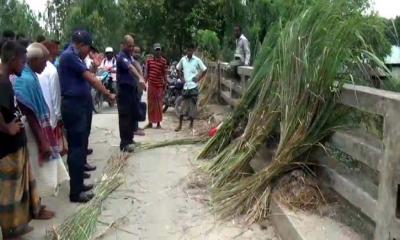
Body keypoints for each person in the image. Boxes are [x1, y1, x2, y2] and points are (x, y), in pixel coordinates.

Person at [0, 41, 54, 240]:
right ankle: (9, 233)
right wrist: (7, 127)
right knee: (9, 193)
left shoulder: (7, 79)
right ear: (13, 60)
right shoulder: (2, 81)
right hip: (6, 148)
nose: (24, 65)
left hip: (16, 144)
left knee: (21, 189)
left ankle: (18, 225)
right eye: (23, 62)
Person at [59, 30, 116, 203]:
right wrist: (107, 94)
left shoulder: (75, 57)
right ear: (81, 45)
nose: (89, 53)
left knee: (81, 144)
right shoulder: (69, 56)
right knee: (76, 148)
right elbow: (91, 79)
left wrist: (94, 67)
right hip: (74, 106)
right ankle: (76, 192)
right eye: (88, 49)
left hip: (80, 105)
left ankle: (78, 184)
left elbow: (87, 74)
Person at [14, 43, 70, 198]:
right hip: (30, 129)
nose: (46, 65)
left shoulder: (29, 75)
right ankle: (35, 205)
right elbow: (29, 113)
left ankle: (36, 204)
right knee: (35, 168)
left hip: (35, 126)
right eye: (44, 61)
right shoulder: (26, 79)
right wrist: (43, 141)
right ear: (34, 59)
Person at [116, 35, 146, 152]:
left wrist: (141, 75)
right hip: (124, 92)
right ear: (123, 45)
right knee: (125, 117)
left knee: (132, 116)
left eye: (133, 46)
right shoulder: (121, 57)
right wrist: (139, 77)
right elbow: (130, 68)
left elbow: (135, 65)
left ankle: (130, 139)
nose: (132, 48)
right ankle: (124, 143)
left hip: (131, 91)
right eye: (129, 46)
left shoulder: (129, 56)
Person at [38, 41, 67, 156]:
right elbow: (55, 97)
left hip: (39, 119)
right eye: (55, 55)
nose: (56, 58)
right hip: (51, 119)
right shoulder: (52, 70)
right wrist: (59, 117)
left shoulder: (30, 70)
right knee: (54, 152)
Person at [175, 44, 207, 131]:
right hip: (186, 87)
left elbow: (204, 69)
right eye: (187, 50)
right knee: (183, 106)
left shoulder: (197, 60)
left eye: (191, 50)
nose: (189, 52)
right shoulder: (183, 59)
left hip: (193, 86)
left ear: (193, 50)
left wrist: (198, 78)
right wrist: (181, 78)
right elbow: (177, 68)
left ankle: (191, 125)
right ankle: (180, 125)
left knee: (193, 106)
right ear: (186, 50)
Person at [145, 43, 167, 129]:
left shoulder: (163, 61)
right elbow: (147, 72)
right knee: (150, 104)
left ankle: (158, 123)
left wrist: (166, 84)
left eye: (159, 50)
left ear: (161, 50)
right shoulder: (149, 60)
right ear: (154, 51)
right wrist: (144, 82)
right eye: (156, 50)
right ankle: (150, 123)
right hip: (151, 85)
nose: (158, 52)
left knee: (158, 105)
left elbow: (164, 73)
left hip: (159, 86)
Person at [132, 45, 145, 136]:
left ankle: (136, 126)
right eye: (135, 52)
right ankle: (134, 128)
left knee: (138, 107)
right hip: (134, 89)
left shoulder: (138, 62)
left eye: (138, 52)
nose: (137, 54)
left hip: (139, 89)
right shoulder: (131, 62)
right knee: (134, 108)